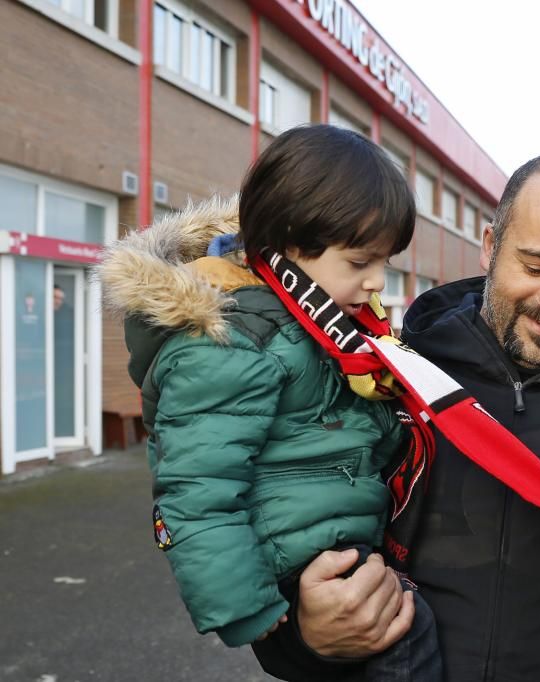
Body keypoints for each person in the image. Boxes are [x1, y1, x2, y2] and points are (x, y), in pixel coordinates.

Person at [253, 153, 540, 681]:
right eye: (535, 266)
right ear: (489, 247)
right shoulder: (381, 381)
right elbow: (278, 546)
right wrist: (308, 634)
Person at [98, 125, 441, 680]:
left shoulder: (318, 323)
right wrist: (245, 606)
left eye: (385, 261)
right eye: (359, 263)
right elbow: (196, 489)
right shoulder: (233, 341)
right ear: (290, 243)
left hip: (334, 534)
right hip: (296, 557)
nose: (377, 282)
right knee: (408, 643)